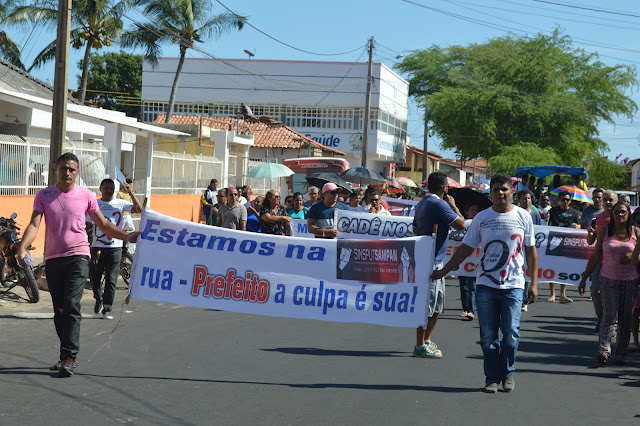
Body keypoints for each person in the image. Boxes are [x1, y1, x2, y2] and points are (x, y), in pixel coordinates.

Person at [17, 153, 140, 377]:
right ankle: (65, 353)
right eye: (63, 168)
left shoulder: (86, 196)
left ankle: (69, 356)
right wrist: (22, 247)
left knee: (72, 304)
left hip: (79, 256)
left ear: (77, 173)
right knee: (59, 310)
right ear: (56, 169)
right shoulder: (44, 196)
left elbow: (103, 224)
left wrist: (127, 236)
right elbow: (34, 225)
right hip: (53, 259)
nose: (67, 173)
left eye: (72, 170)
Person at [432, 173, 538, 393]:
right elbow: (465, 248)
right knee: (488, 336)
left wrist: (534, 283)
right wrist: (444, 270)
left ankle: (507, 373)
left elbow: (531, 250)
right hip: (486, 286)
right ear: (490, 193)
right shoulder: (482, 218)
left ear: (511, 192)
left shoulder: (523, 217)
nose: (500, 193)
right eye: (496, 189)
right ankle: (491, 378)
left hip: (514, 286)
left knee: (510, 333)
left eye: (504, 189)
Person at [411, 172, 466, 358]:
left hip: (429, 259)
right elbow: (461, 224)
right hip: (433, 262)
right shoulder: (439, 203)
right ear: (445, 188)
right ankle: (420, 345)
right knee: (428, 306)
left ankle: (426, 340)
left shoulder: (421, 203)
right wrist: (454, 206)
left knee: (436, 306)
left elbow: (415, 229)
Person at [578, 202, 640, 365]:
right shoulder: (605, 232)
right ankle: (604, 350)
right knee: (610, 315)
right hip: (608, 278)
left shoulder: (636, 233)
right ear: (612, 215)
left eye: (623, 212)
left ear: (629, 215)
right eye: (617, 212)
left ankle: (621, 352)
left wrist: (633, 254)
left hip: (630, 281)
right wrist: (584, 278)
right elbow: (596, 255)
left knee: (626, 318)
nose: (620, 215)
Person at [89, 178, 142, 320]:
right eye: (105, 187)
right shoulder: (94, 204)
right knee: (94, 277)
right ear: (100, 188)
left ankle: (107, 308)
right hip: (97, 247)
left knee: (112, 279)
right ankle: (99, 299)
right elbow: (87, 225)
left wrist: (130, 192)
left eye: (111, 188)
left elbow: (139, 210)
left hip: (115, 247)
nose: (108, 190)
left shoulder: (120, 203)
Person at [586, 190, 618, 331]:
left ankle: (613, 322)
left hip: (617, 263)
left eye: (610, 200)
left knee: (615, 294)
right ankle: (602, 319)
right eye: (605, 200)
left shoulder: (621, 217)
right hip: (600, 261)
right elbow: (590, 241)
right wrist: (590, 235)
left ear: (616, 201)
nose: (607, 202)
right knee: (595, 291)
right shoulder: (596, 219)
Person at [547, 190, 579, 303]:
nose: (565, 201)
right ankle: (552, 294)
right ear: (558, 201)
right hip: (554, 241)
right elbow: (547, 225)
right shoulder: (553, 211)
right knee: (553, 267)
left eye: (567, 200)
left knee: (564, 268)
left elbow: (578, 225)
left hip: (568, 242)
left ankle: (562, 294)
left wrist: (578, 227)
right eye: (563, 199)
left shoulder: (574, 212)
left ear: (570, 201)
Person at [456, 203, 479, 320]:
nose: (475, 213)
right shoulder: (461, 225)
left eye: (477, 211)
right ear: (467, 212)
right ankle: (465, 308)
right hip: (462, 261)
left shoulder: (480, 224)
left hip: (474, 261)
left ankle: (471, 310)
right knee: (463, 285)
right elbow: (457, 236)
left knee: (473, 285)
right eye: (472, 210)